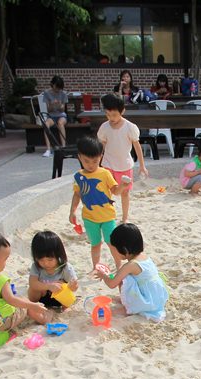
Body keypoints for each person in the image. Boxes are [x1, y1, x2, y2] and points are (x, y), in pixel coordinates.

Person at [69, 136, 124, 272]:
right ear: (79, 157)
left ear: (101, 156)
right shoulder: (78, 176)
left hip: (108, 217)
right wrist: (72, 211)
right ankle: (96, 267)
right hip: (89, 218)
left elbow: (115, 191)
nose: (91, 165)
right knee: (95, 244)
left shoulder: (105, 173)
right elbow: (77, 194)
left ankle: (119, 265)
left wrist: (123, 185)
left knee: (112, 243)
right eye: (86, 161)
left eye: (95, 161)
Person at [95, 223, 169, 322]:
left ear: (124, 249)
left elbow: (112, 284)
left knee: (123, 279)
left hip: (148, 302)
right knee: (124, 276)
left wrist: (103, 276)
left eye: (115, 249)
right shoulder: (144, 256)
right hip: (158, 297)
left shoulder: (131, 265)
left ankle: (129, 306)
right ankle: (129, 301)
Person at [97, 94, 148, 224]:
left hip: (124, 166)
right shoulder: (104, 127)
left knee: (124, 193)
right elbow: (101, 147)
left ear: (122, 111)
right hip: (107, 164)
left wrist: (142, 166)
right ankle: (108, 215)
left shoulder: (130, 127)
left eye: (114, 115)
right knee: (107, 192)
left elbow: (137, 147)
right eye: (108, 115)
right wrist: (97, 165)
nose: (111, 118)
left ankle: (125, 217)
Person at [28, 230, 79, 310]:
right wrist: (48, 286)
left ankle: (64, 309)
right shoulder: (36, 266)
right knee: (33, 288)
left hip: (60, 298)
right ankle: (34, 305)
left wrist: (72, 286)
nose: (46, 264)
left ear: (58, 255)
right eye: (41, 260)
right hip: (42, 298)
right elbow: (32, 283)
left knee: (66, 290)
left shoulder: (65, 267)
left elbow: (74, 287)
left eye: (50, 260)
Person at [41, 75, 69, 158]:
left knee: (61, 123)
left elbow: (63, 110)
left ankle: (63, 147)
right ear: (52, 85)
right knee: (46, 124)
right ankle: (48, 149)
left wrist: (60, 106)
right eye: (56, 87)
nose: (58, 90)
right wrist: (52, 105)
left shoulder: (63, 93)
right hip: (51, 115)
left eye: (59, 88)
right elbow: (48, 110)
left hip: (61, 115)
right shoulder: (47, 93)